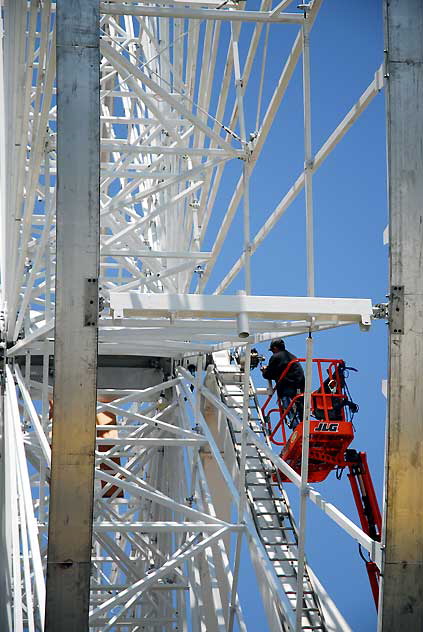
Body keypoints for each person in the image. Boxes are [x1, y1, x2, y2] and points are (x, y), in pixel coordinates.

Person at [261, 338, 305, 428]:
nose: (272, 352)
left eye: (272, 350)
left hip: (287, 387)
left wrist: (265, 371)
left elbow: (269, 374)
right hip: (299, 386)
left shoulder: (276, 357)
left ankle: (296, 427)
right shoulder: (292, 356)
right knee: (300, 406)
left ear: (275, 348)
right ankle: (304, 426)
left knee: (288, 406)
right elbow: (280, 370)